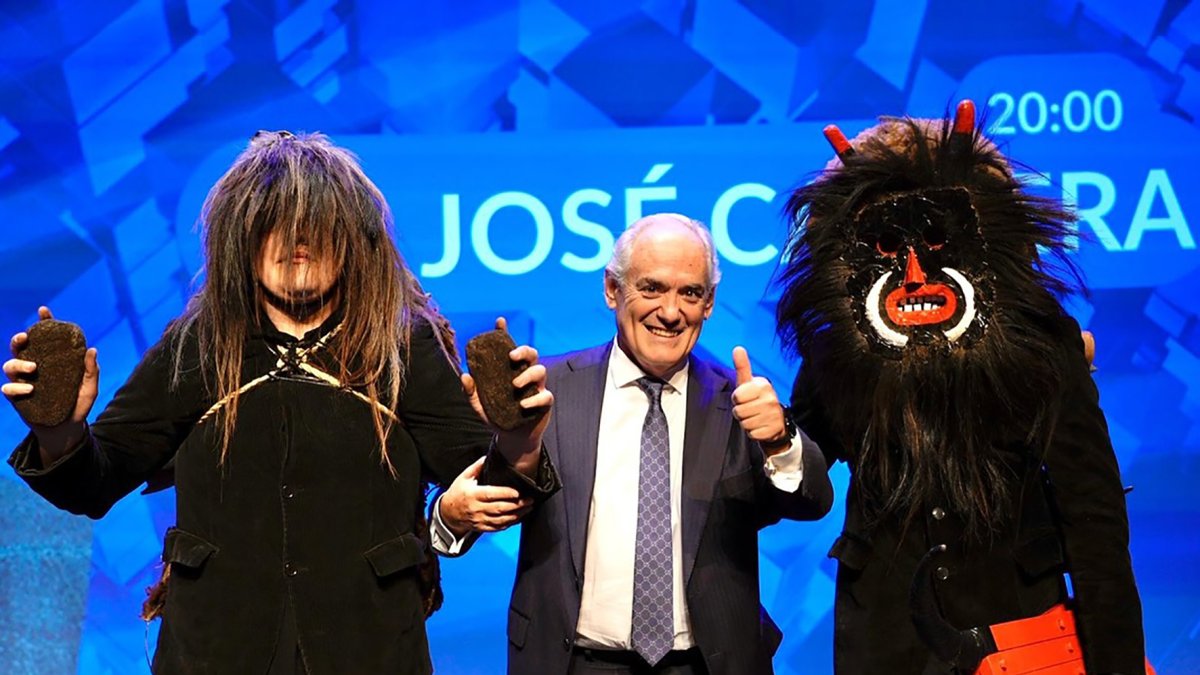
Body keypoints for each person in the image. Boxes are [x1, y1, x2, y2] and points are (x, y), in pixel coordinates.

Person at [2, 130, 556, 675]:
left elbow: (490, 487)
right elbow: (93, 484)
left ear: (352, 240)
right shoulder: (199, 343)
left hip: (369, 647)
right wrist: (60, 433)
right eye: (275, 223)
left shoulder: (401, 347)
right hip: (215, 650)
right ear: (242, 238)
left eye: (316, 224)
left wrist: (516, 439)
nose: (297, 241)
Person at [775, 102, 1147, 674]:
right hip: (887, 633)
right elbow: (808, 470)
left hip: (1020, 625)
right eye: (887, 245)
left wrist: (1116, 664)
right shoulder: (840, 348)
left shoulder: (1040, 337)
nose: (917, 270)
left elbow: (1091, 510)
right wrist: (778, 441)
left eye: (939, 237)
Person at [435, 213, 834, 675]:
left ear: (710, 304)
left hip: (708, 663)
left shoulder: (741, 402)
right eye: (651, 288)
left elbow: (814, 501)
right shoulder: (548, 393)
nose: (670, 311)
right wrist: (510, 444)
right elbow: (482, 514)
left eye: (690, 293)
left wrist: (781, 440)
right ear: (611, 290)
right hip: (573, 663)